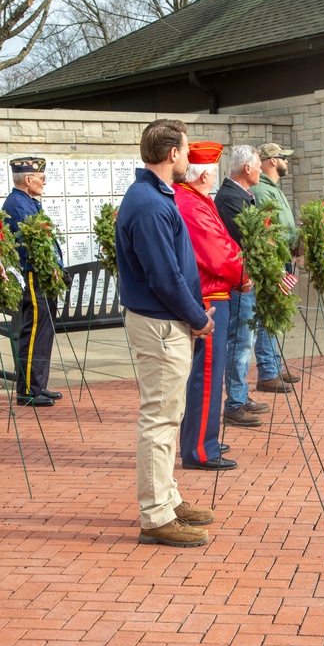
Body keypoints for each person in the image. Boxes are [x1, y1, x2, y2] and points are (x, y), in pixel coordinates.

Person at [116, 118, 217, 547]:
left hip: (161, 321)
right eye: (186, 149)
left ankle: (166, 499)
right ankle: (156, 515)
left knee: (167, 415)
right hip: (161, 323)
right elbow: (165, 277)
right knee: (159, 419)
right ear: (172, 153)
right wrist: (197, 317)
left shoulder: (151, 196)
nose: (189, 156)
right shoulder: (151, 203)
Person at [174, 141, 255, 472]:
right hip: (209, 298)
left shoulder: (194, 199)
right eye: (213, 171)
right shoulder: (192, 204)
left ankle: (202, 437)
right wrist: (243, 275)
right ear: (205, 173)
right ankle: (200, 449)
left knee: (204, 374)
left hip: (210, 293)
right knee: (206, 374)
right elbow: (218, 251)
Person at [213, 145, 273, 427]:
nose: (261, 168)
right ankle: (234, 404)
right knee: (240, 341)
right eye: (259, 164)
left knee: (244, 341)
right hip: (239, 281)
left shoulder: (240, 195)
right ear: (247, 168)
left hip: (246, 278)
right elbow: (246, 238)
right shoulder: (229, 198)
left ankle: (240, 395)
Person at [2, 157, 64, 407]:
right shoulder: (18, 205)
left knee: (44, 332)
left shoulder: (27, 202)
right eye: (40, 177)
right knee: (35, 330)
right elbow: (29, 247)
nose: (44, 181)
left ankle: (37, 384)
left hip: (42, 275)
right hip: (33, 275)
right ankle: (28, 389)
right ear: (27, 179)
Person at [249, 142, 302, 392]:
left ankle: (275, 366)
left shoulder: (273, 188)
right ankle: (267, 373)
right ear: (272, 161)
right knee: (267, 317)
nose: (287, 161)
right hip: (273, 261)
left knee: (276, 317)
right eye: (283, 157)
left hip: (283, 258)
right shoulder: (261, 191)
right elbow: (269, 229)